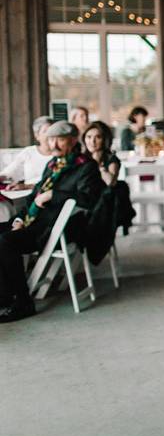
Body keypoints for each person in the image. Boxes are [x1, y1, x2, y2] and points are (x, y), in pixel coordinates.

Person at [0, 122, 104, 322]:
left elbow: (89, 199)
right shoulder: (52, 164)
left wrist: (53, 194)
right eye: (50, 139)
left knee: (6, 241)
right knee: (5, 234)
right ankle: (4, 296)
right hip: (34, 222)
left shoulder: (85, 166)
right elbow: (33, 197)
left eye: (60, 139)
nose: (54, 144)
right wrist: (19, 218)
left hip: (54, 230)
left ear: (73, 141)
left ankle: (23, 302)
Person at [0, 116, 54, 189]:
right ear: (37, 135)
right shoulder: (29, 152)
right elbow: (10, 171)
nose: (50, 135)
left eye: (52, 131)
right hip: (27, 195)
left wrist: (27, 186)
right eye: (45, 131)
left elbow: (58, 183)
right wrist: (2, 177)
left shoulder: (61, 155)